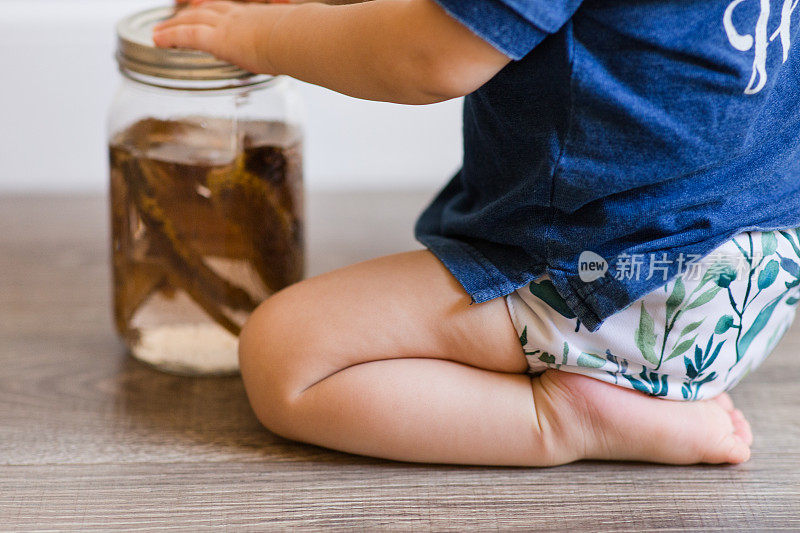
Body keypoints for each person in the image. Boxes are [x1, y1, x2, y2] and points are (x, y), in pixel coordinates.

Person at [154, 0, 800, 466]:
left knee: (283, 356)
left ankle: (569, 418)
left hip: (629, 284)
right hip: (764, 271)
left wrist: (268, 34)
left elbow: (429, 54)